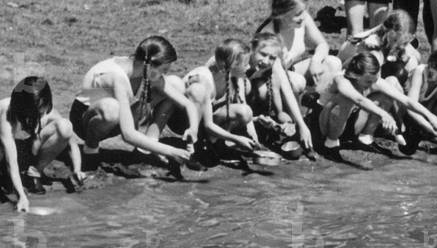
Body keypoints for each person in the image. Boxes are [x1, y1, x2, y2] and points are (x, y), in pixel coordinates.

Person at [70, 36, 198, 172]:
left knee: (175, 84)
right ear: (150, 64)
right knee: (112, 109)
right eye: (164, 70)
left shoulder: (141, 67)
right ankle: (90, 153)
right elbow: (128, 135)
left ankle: (147, 148)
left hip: (114, 114)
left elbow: (188, 104)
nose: (164, 74)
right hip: (84, 120)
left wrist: (193, 129)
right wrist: (172, 151)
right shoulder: (117, 77)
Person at [317, 52, 437, 158]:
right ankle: (330, 144)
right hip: (323, 125)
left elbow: (407, 101)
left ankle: (365, 139)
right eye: (368, 82)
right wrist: (383, 114)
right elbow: (359, 100)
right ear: (355, 76)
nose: (372, 84)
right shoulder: (341, 80)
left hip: (349, 123)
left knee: (385, 94)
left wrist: (431, 117)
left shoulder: (374, 80)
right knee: (345, 100)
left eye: (374, 80)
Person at [1, 77, 84, 209]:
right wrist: (21, 196)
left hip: (25, 148)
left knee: (65, 126)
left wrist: (77, 169)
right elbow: (11, 160)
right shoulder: (7, 113)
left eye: (41, 108)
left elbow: (72, 142)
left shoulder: (45, 110)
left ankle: (34, 172)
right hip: (5, 151)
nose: (40, 112)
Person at [181, 39, 259, 159]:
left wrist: (255, 142)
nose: (249, 67)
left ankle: (216, 143)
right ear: (231, 65)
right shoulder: (205, 79)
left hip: (208, 118)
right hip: (184, 121)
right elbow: (208, 125)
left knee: (245, 112)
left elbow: (244, 108)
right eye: (245, 64)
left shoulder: (233, 75)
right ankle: (194, 148)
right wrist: (237, 139)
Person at [245, 32, 314, 154]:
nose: (266, 61)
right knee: (260, 89)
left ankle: (289, 129)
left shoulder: (274, 64)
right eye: (263, 54)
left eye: (272, 57)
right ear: (252, 49)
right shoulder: (241, 63)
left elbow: (287, 91)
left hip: (264, 105)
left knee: (279, 83)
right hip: (242, 105)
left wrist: (301, 124)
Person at [259, 0, 331, 97]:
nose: (303, 16)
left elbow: (322, 44)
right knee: (298, 82)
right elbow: (267, 72)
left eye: (303, 11)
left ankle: (317, 105)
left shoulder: (303, 19)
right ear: (281, 15)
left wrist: (315, 62)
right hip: (268, 79)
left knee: (332, 63)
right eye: (297, 14)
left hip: (291, 69)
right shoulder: (269, 34)